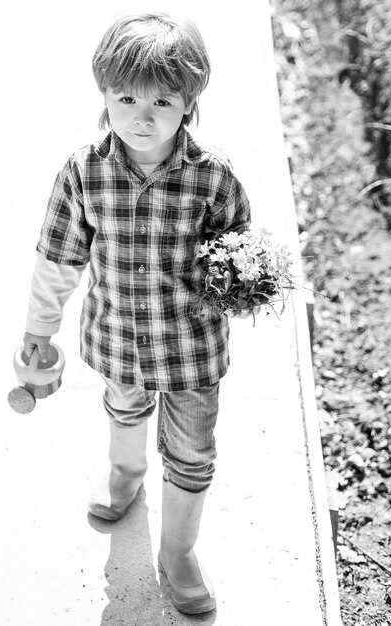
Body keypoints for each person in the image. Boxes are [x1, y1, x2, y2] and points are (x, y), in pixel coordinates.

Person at [21, 12, 252, 615]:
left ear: (189, 104)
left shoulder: (213, 177)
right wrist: (38, 331)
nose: (141, 116)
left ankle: (178, 551)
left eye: (163, 101)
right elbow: (59, 257)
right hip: (121, 334)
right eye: (125, 97)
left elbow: (240, 247)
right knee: (124, 403)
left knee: (194, 449)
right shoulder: (84, 171)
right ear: (104, 95)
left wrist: (246, 276)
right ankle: (125, 471)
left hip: (191, 344)